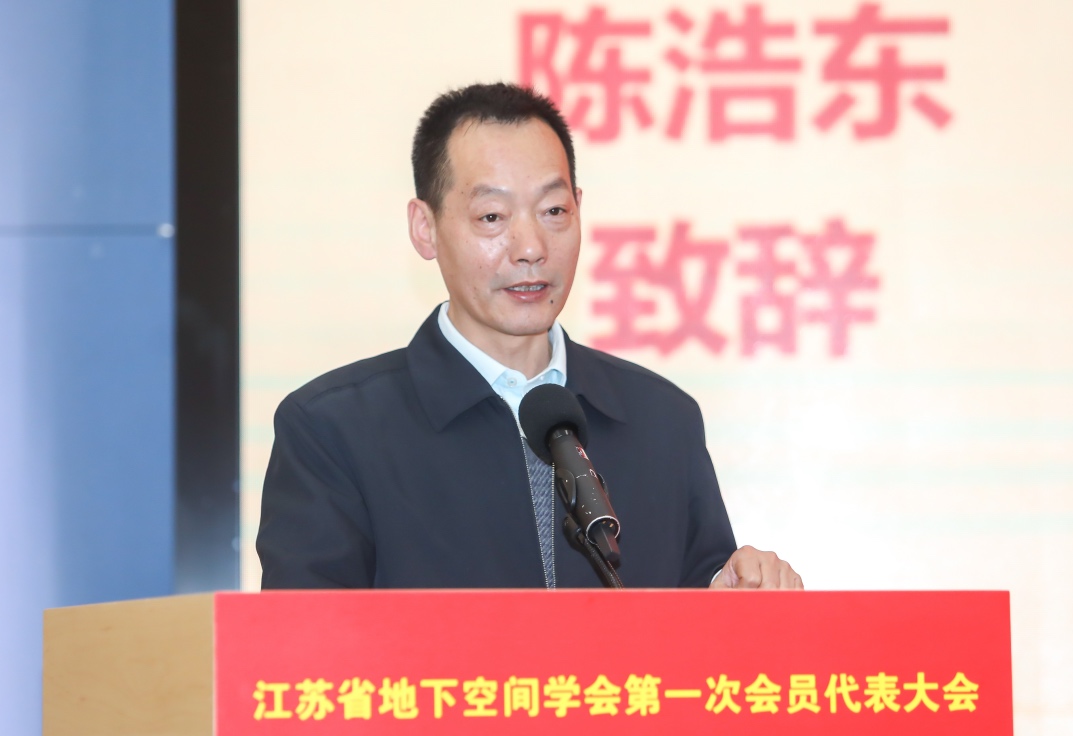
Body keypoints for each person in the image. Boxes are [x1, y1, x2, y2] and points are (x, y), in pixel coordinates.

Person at [257, 83, 802, 591]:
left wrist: (736, 591)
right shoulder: (334, 431)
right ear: (425, 228)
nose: (531, 248)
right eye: (492, 216)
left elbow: (706, 628)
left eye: (554, 211)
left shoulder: (661, 420)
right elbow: (304, 650)